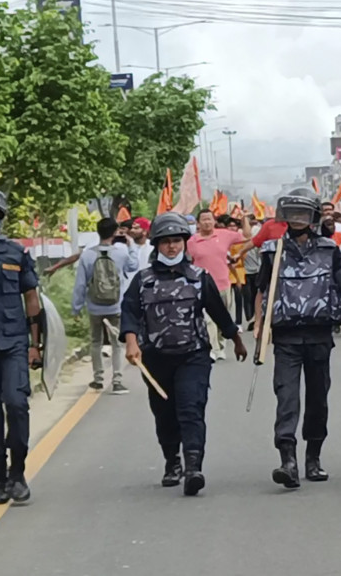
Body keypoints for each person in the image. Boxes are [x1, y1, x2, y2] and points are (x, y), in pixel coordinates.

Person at [120, 213, 248, 496]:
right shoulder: (143, 280)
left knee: (191, 409)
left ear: (184, 243)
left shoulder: (199, 277)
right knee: (165, 413)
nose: (172, 247)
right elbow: (129, 313)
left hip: (193, 355)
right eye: (165, 242)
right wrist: (131, 342)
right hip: (155, 358)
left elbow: (218, 311)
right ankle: (171, 461)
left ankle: (193, 467)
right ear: (156, 245)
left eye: (176, 241)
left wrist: (236, 339)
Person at [256, 189, 341, 489]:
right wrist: (260, 325)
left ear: (313, 217)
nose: (298, 220)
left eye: (303, 214)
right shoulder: (273, 252)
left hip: (319, 336)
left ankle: (313, 457)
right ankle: (288, 460)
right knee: (286, 398)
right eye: (293, 214)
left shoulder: (328, 249)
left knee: (317, 399)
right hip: (286, 338)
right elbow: (262, 290)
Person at [0, 189, 44, 505]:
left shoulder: (15, 254)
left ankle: (18, 473)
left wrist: (35, 344)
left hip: (13, 342)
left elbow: (31, 298)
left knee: (16, 404)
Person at [71, 217, 139, 394]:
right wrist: (131, 244)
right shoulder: (121, 253)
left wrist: (76, 307)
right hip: (116, 305)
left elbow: (80, 283)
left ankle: (98, 379)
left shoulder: (87, 254)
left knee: (96, 342)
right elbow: (133, 266)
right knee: (117, 343)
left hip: (94, 305)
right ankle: (117, 380)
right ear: (115, 232)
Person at [187, 209, 252, 361]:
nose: (207, 222)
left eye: (209, 219)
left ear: (214, 221)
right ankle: (214, 348)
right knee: (208, 319)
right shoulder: (192, 242)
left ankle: (221, 345)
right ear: (198, 223)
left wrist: (245, 219)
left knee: (223, 316)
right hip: (202, 285)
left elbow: (248, 236)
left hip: (223, 283)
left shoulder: (224, 235)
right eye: (203, 219)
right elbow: (189, 262)